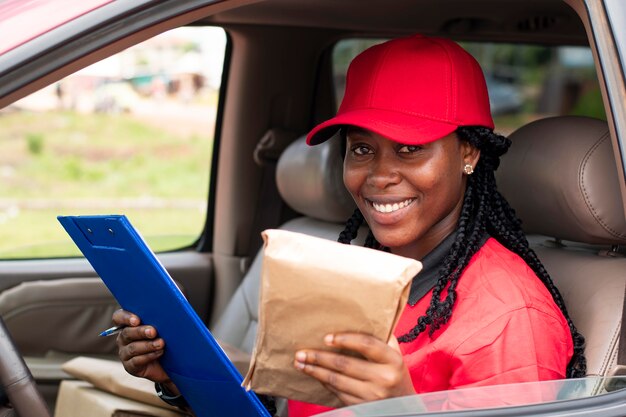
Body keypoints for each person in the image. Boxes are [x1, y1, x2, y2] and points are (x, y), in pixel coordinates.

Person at [112, 34, 586, 417]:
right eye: (362, 149)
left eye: (409, 148)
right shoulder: (361, 273)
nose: (378, 175)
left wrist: (399, 409)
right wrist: (185, 379)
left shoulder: (510, 318)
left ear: (468, 152)